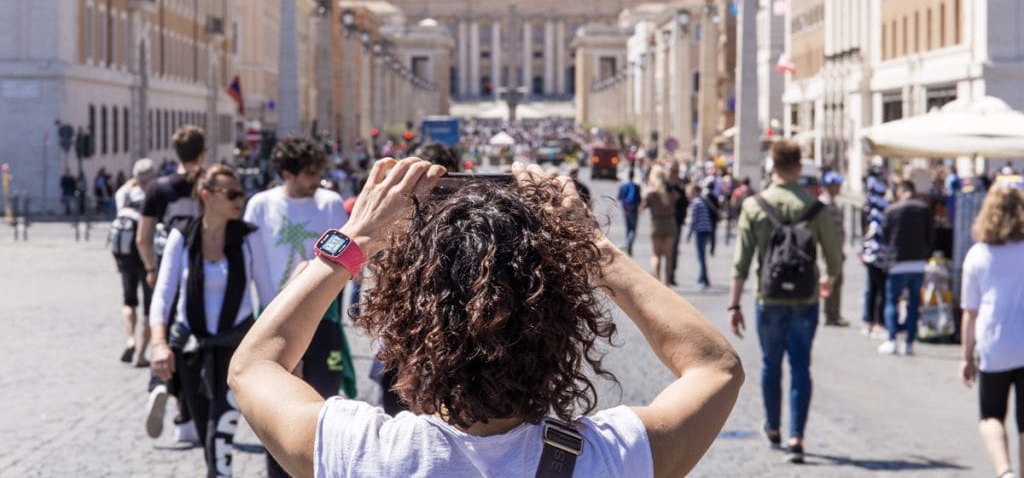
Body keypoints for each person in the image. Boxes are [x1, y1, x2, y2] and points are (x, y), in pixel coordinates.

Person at [228, 158, 744, 477]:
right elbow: (713, 366)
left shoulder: (363, 455)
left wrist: (356, 239)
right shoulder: (610, 460)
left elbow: (254, 366)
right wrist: (594, 248)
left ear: (407, 329)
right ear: (564, 327)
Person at [242, 135, 355, 478]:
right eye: (308, 172)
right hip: (274, 319)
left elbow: (347, 257)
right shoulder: (260, 205)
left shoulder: (330, 203)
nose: (315, 179)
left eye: (318, 171)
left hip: (321, 320)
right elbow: (253, 261)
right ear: (287, 173)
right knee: (276, 411)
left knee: (320, 406)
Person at [729, 139, 842, 464]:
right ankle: (797, 436)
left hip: (768, 298)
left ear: (772, 166)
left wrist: (734, 305)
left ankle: (774, 427)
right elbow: (835, 257)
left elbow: (741, 261)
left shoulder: (755, 206)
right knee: (801, 366)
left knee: (769, 364)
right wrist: (828, 280)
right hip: (805, 299)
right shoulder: (816, 207)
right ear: (798, 167)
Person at [150, 164, 257, 477]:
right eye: (232, 193)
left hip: (235, 348)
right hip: (192, 347)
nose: (240, 199)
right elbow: (163, 295)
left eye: (242, 193)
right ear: (206, 195)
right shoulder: (182, 236)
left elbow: (269, 297)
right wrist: (158, 344)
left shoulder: (248, 238)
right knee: (203, 430)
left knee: (220, 431)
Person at [139, 124, 206, 443]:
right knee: (190, 341)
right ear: (203, 153)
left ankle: (160, 385)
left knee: (163, 330)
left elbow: (142, 236)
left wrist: (151, 268)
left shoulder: (158, 188)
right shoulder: (206, 186)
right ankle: (186, 416)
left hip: (166, 266)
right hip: (199, 274)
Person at [960, 186, 1024, 478]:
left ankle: (1004, 470)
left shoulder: (977, 254)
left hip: (994, 343)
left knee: (990, 415)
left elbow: (970, 312)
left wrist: (965, 357)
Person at [109, 158, 157, 366]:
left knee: (129, 301)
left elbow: (122, 188)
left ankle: (130, 340)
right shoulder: (154, 196)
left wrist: (135, 179)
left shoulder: (124, 195)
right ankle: (141, 355)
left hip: (125, 253)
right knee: (149, 306)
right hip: (146, 253)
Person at [878, 179, 934, 356]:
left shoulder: (891, 210)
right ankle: (909, 342)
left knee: (892, 301)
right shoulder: (924, 209)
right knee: (914, 303)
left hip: (897, 262)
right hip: (918, 262)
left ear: (900, 192)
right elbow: (931, 235)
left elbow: (885, 237)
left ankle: (892, 339)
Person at [860, 165, 889, 338]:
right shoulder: (879, 208)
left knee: (872, 288)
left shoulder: (868, 207)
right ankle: (876, 322)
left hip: (871, 251)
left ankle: (870, 321)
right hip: (878, 252)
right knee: (879, 288)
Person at [820, 172, 849, 326]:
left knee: (837, 281)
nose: (839, 187)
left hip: (836, 249)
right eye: (837, 184)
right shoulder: (824, 203)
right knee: (831, 280)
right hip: (829, 250)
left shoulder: (831, 202)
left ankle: (835, 313)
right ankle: (830, 315)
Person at [642, 165, 679, 285]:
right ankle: (667, 282)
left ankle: (657, 281)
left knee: (656, 255)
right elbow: (677, 199)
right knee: (668, 255)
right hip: (670, 222)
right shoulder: (671, 191)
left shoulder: (652, 193)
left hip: (657, 223)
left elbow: (642, 207)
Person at [686, 183, 714, 289]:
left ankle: (702, 279)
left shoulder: (695, 203)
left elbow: (693, 220)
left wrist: (688, 234)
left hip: (700, 230)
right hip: (706, 229)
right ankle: (704, 278)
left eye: (690, 193)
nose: (688, 195)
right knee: (702, 255)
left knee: (700, 256)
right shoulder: (701, 201)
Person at [666, 161, 689, 286]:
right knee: (662, 250)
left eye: (675, 171)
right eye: (671, 171)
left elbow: (685, 203)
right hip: (665, 221)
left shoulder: (680, 187)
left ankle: (670, 275)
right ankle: (662, 275)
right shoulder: (664, 186)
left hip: (677, 221)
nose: (673, 174)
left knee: (674, 249)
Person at [617, 169, 641, 256]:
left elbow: (619, 197)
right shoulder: (637, 186)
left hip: (626, 209)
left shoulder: (623, 186)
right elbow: (639, 199)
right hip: (634, 209)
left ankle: (628, 244)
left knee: (628, 228)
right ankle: (629, 244)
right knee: (633, 229)